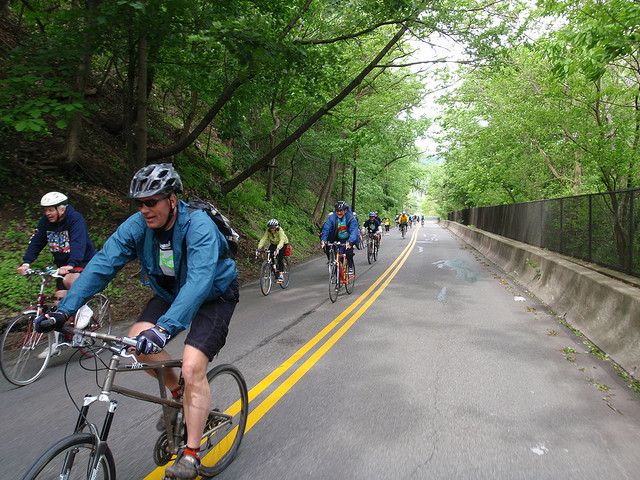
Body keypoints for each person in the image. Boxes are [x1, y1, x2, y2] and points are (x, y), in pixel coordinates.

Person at [33, 164, 239, 480]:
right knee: (137, 342)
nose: (144, 210)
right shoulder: (137, 227)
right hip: (172, 292)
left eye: (151, 202)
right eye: (139, 203)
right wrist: (65, 311)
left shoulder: (197, 226)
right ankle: (177, 396)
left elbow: (199, 281)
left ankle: (191, 455)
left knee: (192, 365)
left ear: (172, 200)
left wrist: (165, 328)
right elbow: (103, 264)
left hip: (214, 294)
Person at [18, 192, 97, 354]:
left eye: (50, 210)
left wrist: (72, 264)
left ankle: (84, 307)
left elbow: (78, 243)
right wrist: (27, 262)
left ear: (61, 209)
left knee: (69, 281)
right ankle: (59, 342)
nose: (47, 213)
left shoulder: (75, 219)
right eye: (45, 210)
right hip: (62, 265)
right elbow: (36, 241)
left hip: (82, 261)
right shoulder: (45, 222)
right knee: (58, 306)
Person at [320, 200, 359, 274]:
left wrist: (350, 241)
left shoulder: (350, 218)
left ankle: (350, 266)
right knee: (338, 256)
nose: (339, 213)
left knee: (348, 252)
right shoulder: (332, 218)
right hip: (338, 239)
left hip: (348, 239)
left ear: (345, 210)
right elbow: (326, 228)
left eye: (341, 211)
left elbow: (354, 230)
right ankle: (338, 274)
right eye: (337, 211)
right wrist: (324, 239)